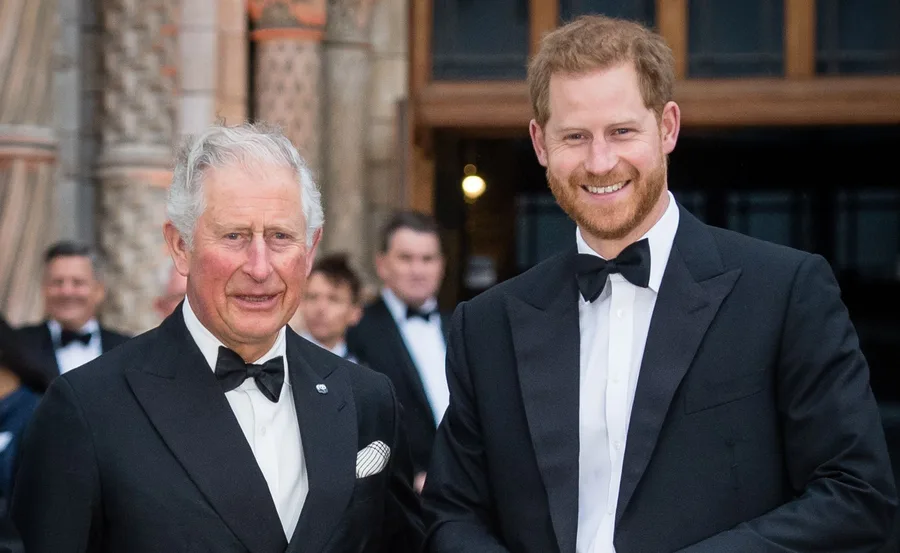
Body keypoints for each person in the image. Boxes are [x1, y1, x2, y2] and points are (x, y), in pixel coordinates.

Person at [421, 15, 897, 553]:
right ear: (540, 142)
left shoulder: (785, 291)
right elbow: (451, 514)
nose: (601, 162)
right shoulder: (486, 324)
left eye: (622, 131)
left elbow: (857, 496)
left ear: (667, 127)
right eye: (575, 136)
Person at [11, 122, 424, 553]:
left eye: (281, 237)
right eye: (234, 236)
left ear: (311, 248)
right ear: (180, 246)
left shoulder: (367, 399)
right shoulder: (89, 407)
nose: (260, 267)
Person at [347, 211, 449, 492]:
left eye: (428, 259)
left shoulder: (462, 327)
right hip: (394, 497)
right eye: (406, 258)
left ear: (441, 265)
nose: (418, 270)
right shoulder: (357, 330)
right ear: (382, 264)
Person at [16, 242, 130, 382]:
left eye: (77, 282)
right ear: (44, 289)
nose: (66, 292)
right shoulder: (18, 346)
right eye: (58, 282)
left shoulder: (126, 349)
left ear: (99, 291)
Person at [298, 254, 363, 363]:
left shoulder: (365, 371)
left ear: (355, 312)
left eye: (333, 299)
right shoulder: (279, 363)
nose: (320, 308)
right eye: (312, 297)